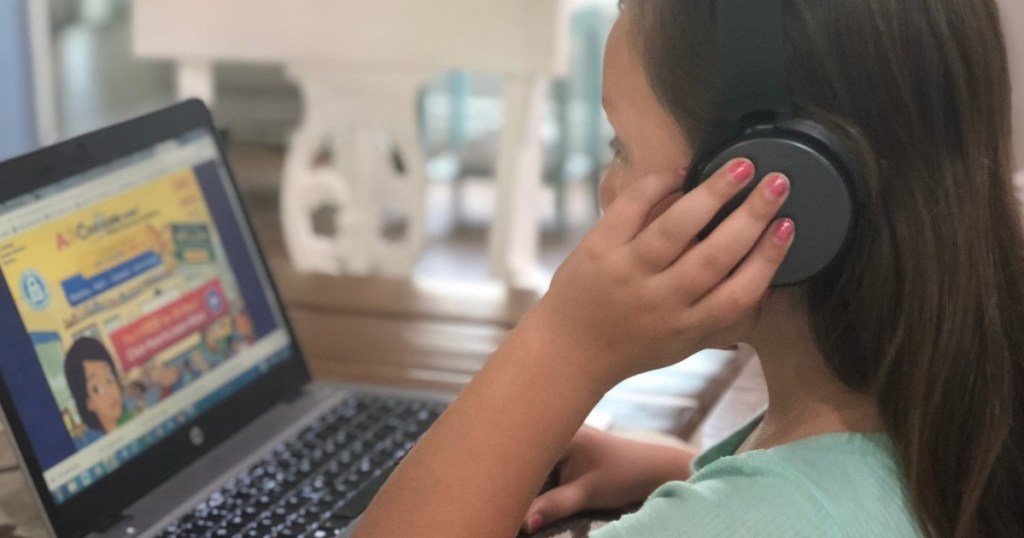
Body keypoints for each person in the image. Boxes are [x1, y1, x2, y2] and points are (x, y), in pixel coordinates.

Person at [355, 0, 1024, 536]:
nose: (606, 189)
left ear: (781, 177)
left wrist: (563, 348)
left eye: (622, 148)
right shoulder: (959, 418)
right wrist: (687, 472)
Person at [64, 337, 133, 443]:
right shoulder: (86, 442)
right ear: (88, 402)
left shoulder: (136, 411)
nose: (110, 393)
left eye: (110, 378)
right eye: (97, 389)